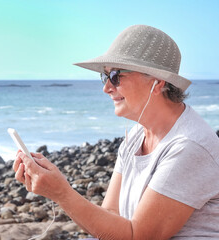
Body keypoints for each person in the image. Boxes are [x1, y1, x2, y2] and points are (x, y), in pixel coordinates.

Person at [13, 25, 219, 239]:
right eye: (105, 77)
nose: (107, 87)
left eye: (116, 76)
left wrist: (62, 194)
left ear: (157, 82)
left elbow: (136, 236)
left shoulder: (189, 146)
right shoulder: (137, 136)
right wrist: (56, 189)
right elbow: (111, 214)